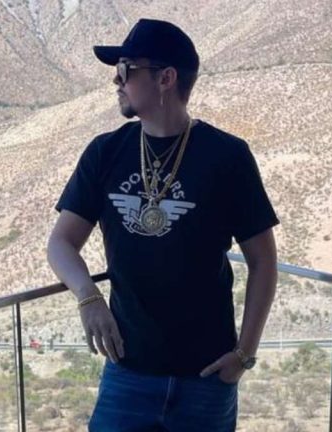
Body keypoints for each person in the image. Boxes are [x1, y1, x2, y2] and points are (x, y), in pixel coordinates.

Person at [47, 18, 279, 432]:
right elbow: (61, 243)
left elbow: (263, 261)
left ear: (166, 78)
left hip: (208, 377)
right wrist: (88, 297)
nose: (116, 81)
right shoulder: (105, 152)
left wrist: (244, 355)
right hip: (127, 372)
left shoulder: (227, 156)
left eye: (125, 70)